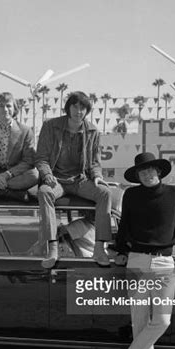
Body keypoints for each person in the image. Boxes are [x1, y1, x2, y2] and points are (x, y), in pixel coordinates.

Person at [114, 152, 175, 349]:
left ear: (159, 171)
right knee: (139, 321)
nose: (146, 174)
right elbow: (124, 224)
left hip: (165, 264)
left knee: (162, 320)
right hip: (136, 261)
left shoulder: (174, 194)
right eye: (141, 171)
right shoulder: (131, 194)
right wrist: (121, 250)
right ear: (137, 175)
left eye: (150, 170)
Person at [35, 91, 112, 268]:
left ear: (87, 111)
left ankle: (99, 249)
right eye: (75, 106)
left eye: (83, 108)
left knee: (105, 193)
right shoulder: (50, 126)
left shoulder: (92, 131)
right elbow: (41, 158)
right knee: (44, 192)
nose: (79, 111)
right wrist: (47, 176)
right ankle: (52, 247)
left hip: (79, 180)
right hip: (56, 180)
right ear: (68, 108)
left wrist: (98, 177)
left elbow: (94, 161)